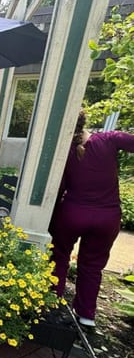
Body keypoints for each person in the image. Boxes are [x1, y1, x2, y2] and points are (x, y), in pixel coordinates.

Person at [49, 110, 134, 327]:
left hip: (72, 213)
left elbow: (60, 187)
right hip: (107, 217)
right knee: (93, 266)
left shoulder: (64, 151)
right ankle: (86, 315)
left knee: (59, 256)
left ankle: (51, 301)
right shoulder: (109, 139)